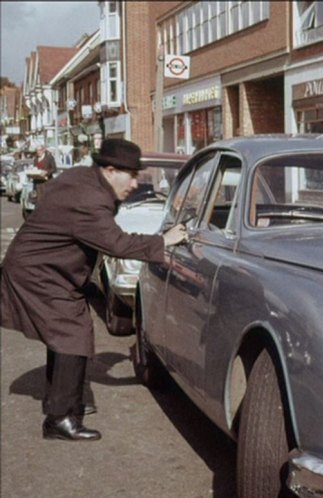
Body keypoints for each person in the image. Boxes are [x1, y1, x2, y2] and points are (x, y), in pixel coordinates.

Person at [1, 138, 187, 442]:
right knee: (72, 333)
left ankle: (64, 405)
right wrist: (163, 241)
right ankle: (59, 419)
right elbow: (116, 243)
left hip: (47, 269)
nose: (135, 183)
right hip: (39, 273)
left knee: (69, 333)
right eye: (132, 175)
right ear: (110, 170)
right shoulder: (88, 197)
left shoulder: (84, 180)